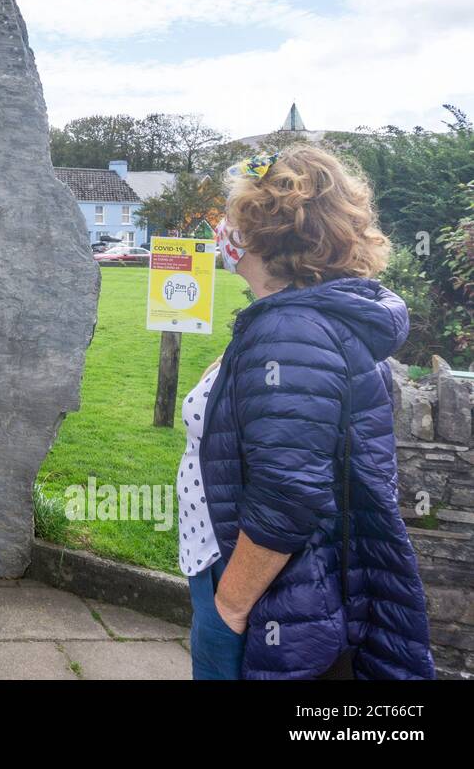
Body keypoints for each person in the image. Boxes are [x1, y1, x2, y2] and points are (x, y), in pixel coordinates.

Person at [183, 145, 434, 679]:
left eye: (230, 215)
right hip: (274, 581)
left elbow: (290, 490)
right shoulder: (292, 321)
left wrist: (229, 605)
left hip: (260, 591)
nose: (221, 229)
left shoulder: (288, 331)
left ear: (260, 231)